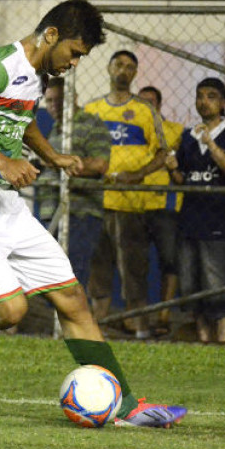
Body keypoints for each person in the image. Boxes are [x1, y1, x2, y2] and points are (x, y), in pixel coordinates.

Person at [0, 0, 186, 428]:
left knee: (73, 299)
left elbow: (23, 119)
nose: (75, 63)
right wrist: (4, 162)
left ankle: (128, 406)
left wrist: (52, 154)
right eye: (75, 53)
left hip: (4, 204)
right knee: (10, 312)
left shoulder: (35, 76)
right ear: (51, 36)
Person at [83, 51, 168, 335]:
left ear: (135, 74)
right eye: (118, 64)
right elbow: (78, 150)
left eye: (130, 67)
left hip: (131, 205)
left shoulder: (146, 110)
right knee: (98, 271)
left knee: (133, 272)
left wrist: (136, 175)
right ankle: (98, 329)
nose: (123, 70)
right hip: (96, 203)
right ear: (108, 68)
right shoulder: (92, 109)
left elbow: (163, 152)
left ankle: (140, 330)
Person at [166, 78, 225, 343]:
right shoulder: (187, 137)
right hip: (188, 221)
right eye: (200, 96)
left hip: (217, 223)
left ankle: (222, 342)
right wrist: (171, 168)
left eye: (211, 96)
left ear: (223, 102)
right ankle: (204, 341)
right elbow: (182, 180)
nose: (204, 101)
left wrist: (211, 144)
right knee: (191, 287)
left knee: (218, 287)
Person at [33, 76, 110, 287]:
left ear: (74, 98)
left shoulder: (92, 125)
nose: (53, 106)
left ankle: (75, 321)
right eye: (49, 101)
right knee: (54, 282)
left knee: (72, 281)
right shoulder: (54, 130)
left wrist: (57, 161)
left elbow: (100, 164)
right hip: (51, 212)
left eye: (59, 100)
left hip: (79, 212)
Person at [137, 84, 184, 337]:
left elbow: (180, 175)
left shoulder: (175, 131)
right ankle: (140, 319)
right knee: (137, 266)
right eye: (141, 103)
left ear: (160, 104)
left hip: (165, 207)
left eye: (151, 103)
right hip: (135, 204)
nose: (146, 107)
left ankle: (163, 316)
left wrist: (173, 167)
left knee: (169, 263)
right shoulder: (134, 132)